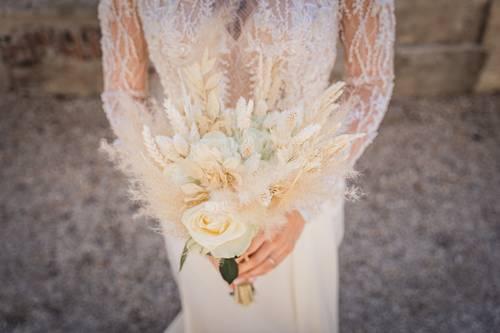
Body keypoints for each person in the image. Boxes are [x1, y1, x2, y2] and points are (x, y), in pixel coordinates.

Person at [98, 1, 395, 332]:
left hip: (304, 193)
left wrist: (300, 204)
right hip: (194, 200)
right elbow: (123, 94)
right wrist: (185, 199)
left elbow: (370, 82)